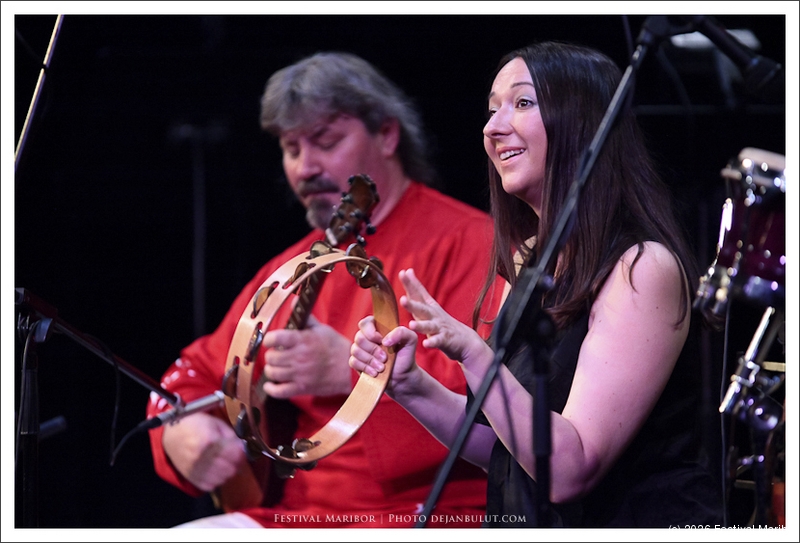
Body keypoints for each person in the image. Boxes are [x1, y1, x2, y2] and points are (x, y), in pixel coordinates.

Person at [350, 41, 724, 528]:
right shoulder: (531, 260)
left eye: (522, 102)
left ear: (582, 123)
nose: (492, 127)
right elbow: (510, 452)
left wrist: (473, 353)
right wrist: (410, 386)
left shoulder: (642, 268)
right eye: (492, 110)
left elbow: (568, 470)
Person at [145, 51, 502, 528]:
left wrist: (354, 374)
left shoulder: (475, 243)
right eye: (291, 149)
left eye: (326, 141)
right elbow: (195, 374)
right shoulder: (290, 268)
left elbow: (502, 405)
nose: (305, 167)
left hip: (436, 515)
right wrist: (178, 431)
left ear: (387, 135)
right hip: (298, 518)